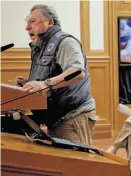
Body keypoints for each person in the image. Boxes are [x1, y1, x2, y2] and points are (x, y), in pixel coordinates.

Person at [16, 5, 97, 146]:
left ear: (50, 22)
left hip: (73, 117)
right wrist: (30, 83)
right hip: (55, 119)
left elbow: (77, 72)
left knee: (76, 165)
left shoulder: (65, 42)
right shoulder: (39, 47)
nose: (27, 27)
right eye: (27, 22)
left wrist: (44, 84)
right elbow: (52, 75)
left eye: (33, 21)